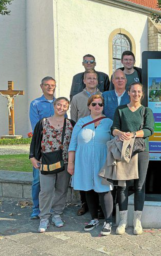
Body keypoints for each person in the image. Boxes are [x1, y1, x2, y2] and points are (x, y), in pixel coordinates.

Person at [111, 82, 154, 235]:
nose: (136, 94)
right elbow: (113, 127)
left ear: (142, 94)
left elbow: (149, 130)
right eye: (133, 91)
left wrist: (134, 134)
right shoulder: (120, 110)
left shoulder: (146, 111)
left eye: (139, 92)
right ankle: (123, 221)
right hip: (124, 151)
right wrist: (120, 133)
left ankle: (137, 221)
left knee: (139, 186)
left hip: (141, 151)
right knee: (122, 185)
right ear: (128, 92)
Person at [68, 94, 114, 236]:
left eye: (100, 104)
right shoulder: (81, 122)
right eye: (94, 104)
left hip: (102, 161)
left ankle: (108, 221)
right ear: (89, 106)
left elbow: (114, 143)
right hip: (84, 161)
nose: (97, 107)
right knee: (88, 189)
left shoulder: (109, 122)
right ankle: (94, 219)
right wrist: (71, 163)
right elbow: (73, 143)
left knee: (104, 189)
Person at [29, 97, 75, 233]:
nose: (61, 107)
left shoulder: (71, 123)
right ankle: (44, 217)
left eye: (64, 105)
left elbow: (75, 143)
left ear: (68, 108)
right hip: (47, 161)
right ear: (54, 106)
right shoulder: (43, 122)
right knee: (46, 190)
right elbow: (36, 140)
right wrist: (32, 157)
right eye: (59, 105)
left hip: (65, 162)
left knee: (61, 189)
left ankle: (57, 214)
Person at [28, 76, 57, 219]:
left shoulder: (59, 103)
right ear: (41, 86)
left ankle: (50, 207)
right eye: (47, 85)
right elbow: (36, 127)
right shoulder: (36, 104)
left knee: (54, 178)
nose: (50, 87)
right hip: (40, 146)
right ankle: (36, 208)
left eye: (52, 85)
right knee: (37, 179)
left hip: (57, 147)